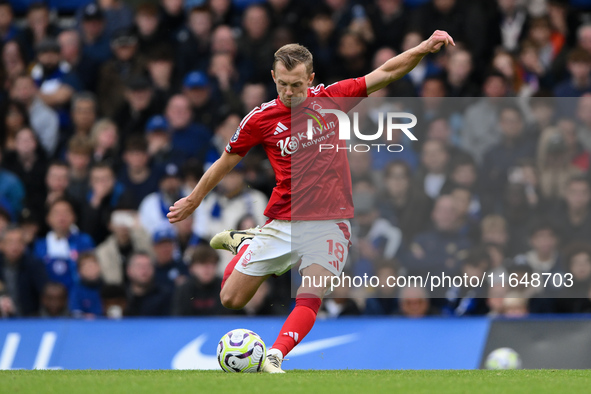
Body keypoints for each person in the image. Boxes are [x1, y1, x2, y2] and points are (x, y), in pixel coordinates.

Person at [167, 31, 455, 372]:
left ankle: (275, 355)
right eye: (283, 84)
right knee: (231, 299)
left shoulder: (332, 99)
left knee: (311, 292)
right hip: (283, 221)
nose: (289, 93)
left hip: (331, 222)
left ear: (311, 79)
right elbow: (226, 161)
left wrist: (422, 49)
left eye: (297, 85)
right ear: (273, 77)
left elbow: (387, 72)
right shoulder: (260, 119)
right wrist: (194, 199)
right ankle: (248, 245)